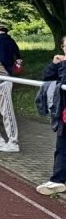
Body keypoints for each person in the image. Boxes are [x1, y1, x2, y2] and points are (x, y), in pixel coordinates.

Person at [36, 36, 66, 195]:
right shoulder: (62, 64)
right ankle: (57, 180)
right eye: (65, 46)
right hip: (63, 112)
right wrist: (55, 64)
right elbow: (47, 76)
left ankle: (58, 179)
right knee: (61, 146)